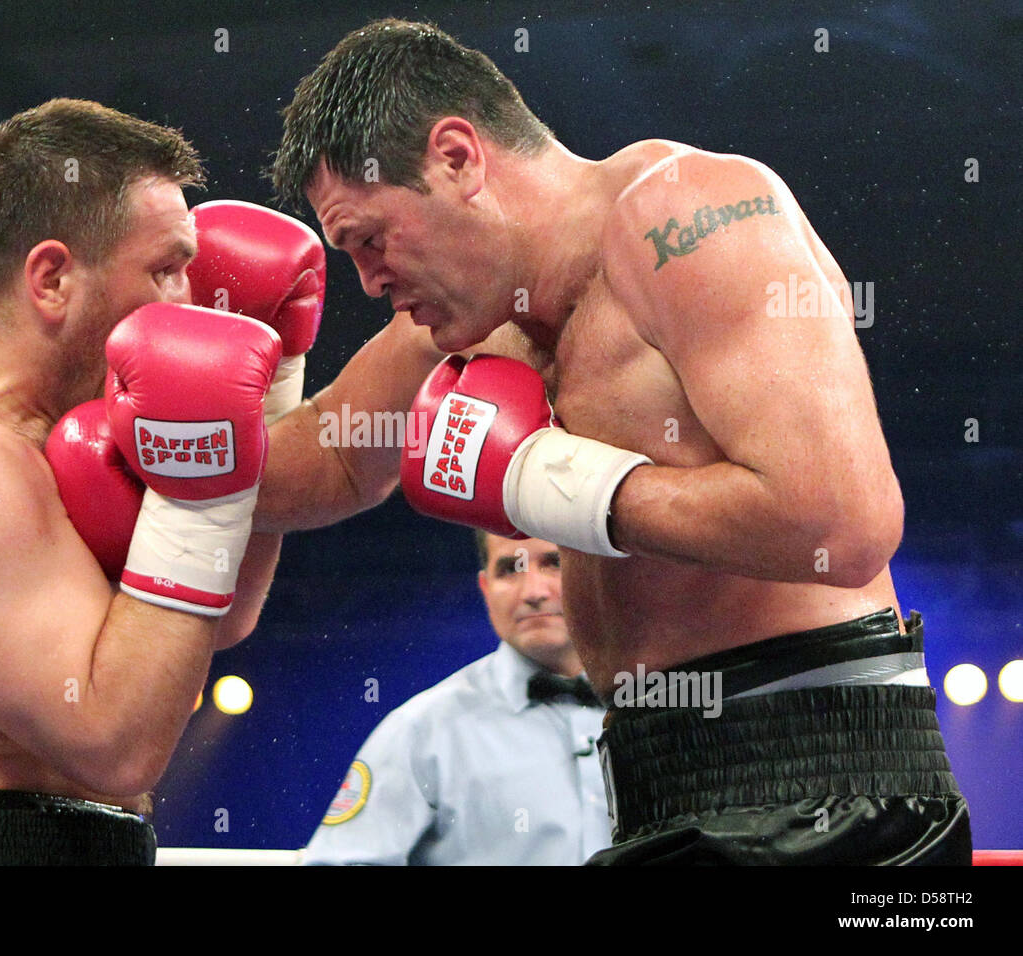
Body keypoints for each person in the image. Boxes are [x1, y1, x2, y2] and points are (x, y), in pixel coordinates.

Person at [269, 19, 971, 864]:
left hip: (825, 774)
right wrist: (155, 409)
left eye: (372, 239)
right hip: (652, 776)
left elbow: (842, 528)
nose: (370, 280)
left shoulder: (691, 220)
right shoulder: (477, 321)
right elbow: (327, 462)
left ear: (457, 158)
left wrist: (549, 479)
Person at [0, 98, 438, 865]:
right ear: (53, 278)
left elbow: (214, 620)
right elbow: (116, 746)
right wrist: (199, 487)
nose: (190, 300)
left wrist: (264, 395)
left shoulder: (36, 422)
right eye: (166, 269)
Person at [304, 532, 610, 865]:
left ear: (594, 574)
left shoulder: (655, 705)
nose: (534, 592)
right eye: (509, 569)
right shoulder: (423, 729)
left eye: (554, 563)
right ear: (485, 589)